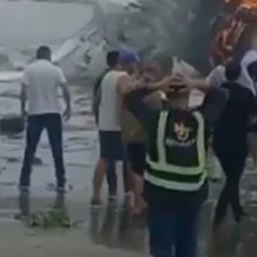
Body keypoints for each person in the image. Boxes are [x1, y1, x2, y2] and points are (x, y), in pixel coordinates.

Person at [124, 73, 226, 257]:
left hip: (161, 195)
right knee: (187, 244)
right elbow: (221, 96)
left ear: (166, 95)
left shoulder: (155, 120)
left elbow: (130, 98)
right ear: (188, 96)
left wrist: (157, 84)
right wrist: (194, 83)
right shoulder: (201, 120)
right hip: (192, 194)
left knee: (161, 247)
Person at [212, 61, 257, 227]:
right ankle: (221, 213)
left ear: (225, 74)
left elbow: (208, 113)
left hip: (219, 141)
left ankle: (236, 209)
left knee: (231, 178)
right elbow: (256, 112)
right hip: (238, 140)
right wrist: (248, 123)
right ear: (240, 74)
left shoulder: (217, 92)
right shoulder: (246, 93)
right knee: (233, 178)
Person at [18, 45, 72, 191]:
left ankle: (24, 181)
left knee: (30, 149)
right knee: (57, 149)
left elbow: (23, 90)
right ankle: (61, 181)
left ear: (37, 55)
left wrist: (23, 108)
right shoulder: (55, 70)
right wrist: (69, 107)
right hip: (53, 113)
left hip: (35, 113)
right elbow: (65, 89)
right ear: (49, 56)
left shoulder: (29, 69)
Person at [91, 50, 131, 204]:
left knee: (106, 159)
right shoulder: (122, 77)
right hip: (118, 126)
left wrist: (97, 119)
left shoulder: (104, 77)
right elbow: (123, 97)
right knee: (128, 160)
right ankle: (130, 194)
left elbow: (96, 100)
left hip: (105, 123)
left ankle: (103, 193)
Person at [114, 47, 148, 214]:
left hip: (128, 128)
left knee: (132, 164)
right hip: (135, 129)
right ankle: (138, 202)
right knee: (137, 167)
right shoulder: (125, 79)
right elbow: (127, 91)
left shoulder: (124, 78)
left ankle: (132, 198)